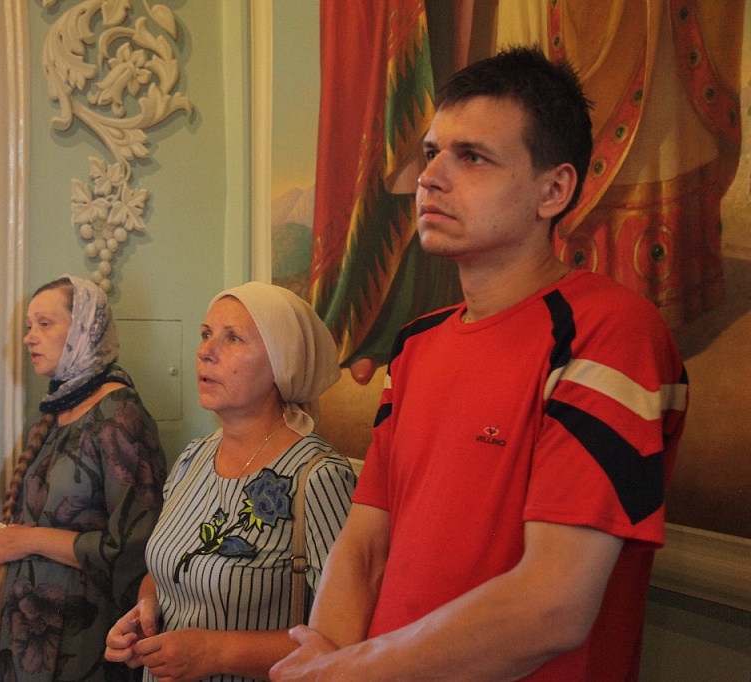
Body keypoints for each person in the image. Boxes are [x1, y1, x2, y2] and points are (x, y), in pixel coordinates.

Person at [270, 47, 688, 682]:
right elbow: (365, 546)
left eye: (472, 157)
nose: (430, 178)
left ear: (554, 189)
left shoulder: (608, 331)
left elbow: (552, 608)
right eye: (432, 152)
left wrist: (346, 672)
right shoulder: (416, 345)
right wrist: (326, 654)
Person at [105, 281, 356, 681]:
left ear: (282, 362)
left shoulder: (319, 476)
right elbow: (168, 566)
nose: (205, 351)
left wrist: (215, 652)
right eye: (206, 334)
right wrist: (146, 611)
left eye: (233, 338)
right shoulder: (193, 458)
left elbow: (341, 642)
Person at [0, 275, 167, 682]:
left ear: (85, 330)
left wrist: (31, 540)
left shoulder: (119, 415)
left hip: (84, 638)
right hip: (25, 638)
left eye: (45, 324)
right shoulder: (60, 408)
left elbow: (135, 548)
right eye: (28, 326)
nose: (30, 337)